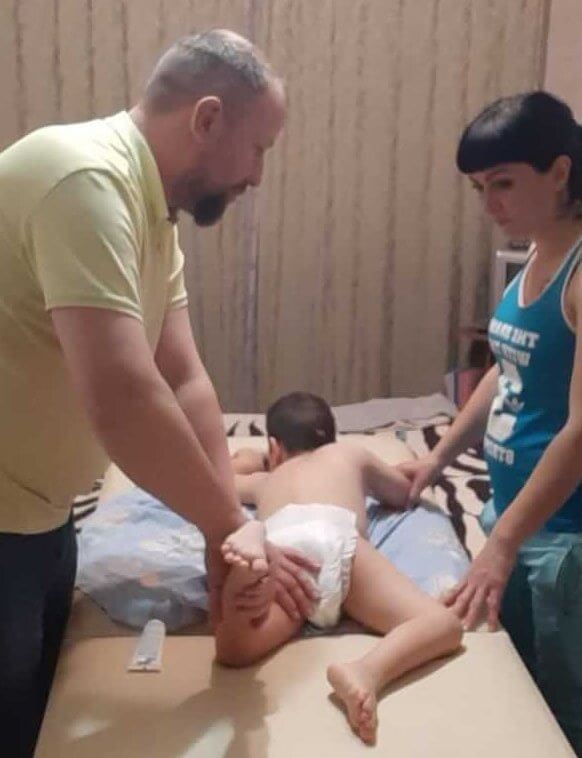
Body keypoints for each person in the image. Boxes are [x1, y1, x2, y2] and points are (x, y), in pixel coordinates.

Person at [0, 30, 317, 756]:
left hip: (42, 515)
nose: (258, 175)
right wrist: (226, 526)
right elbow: (124, 396)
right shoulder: (82, 179)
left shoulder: (150, 216)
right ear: (207, 119)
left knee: (39, 719)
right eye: (259, 148)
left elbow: (184, 380)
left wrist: (225, 529)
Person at [399, 91, 582, 753]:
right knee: (518, 685)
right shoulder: (535, 255)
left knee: (564, 708)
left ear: (559, 172)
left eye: (503, 183)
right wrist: (437, 458)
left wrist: (502, 545)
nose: (489, 205)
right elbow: (505, 372)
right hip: (515, 518)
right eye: (480, 188)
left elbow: (581, 432)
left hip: (563, 538)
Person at [213, 392, 463, 745]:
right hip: (339, 537)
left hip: (283, 554)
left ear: (275, 447)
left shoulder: (265, 481)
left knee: (233, 651)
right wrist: (393, 476)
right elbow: (401, 493)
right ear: (331, 437)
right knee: (442, 625)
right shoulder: (348, 455)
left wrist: (250, 459)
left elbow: (219, 479)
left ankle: (248, 562)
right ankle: (366, 672)